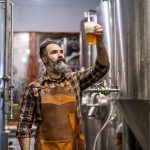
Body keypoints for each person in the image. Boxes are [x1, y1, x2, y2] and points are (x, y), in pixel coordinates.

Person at [16, 24, 110, 150]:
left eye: (61, 52)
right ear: (45, 60)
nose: (60, 55)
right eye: (54, 52)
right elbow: (24, 126)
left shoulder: (75, 80)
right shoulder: (34, 89)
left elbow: (101, 68)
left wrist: (99, 43)